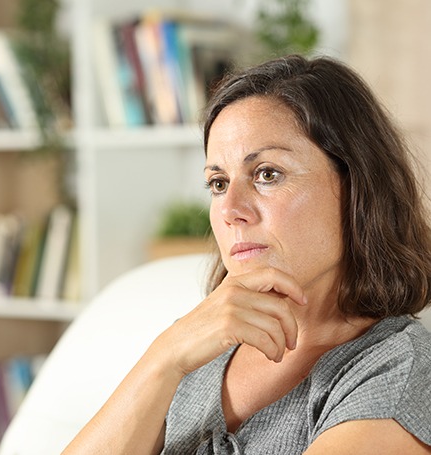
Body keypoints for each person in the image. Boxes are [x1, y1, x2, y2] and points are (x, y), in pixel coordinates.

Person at [62, 55, 431, 454]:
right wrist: (165, 355)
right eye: (218, 183)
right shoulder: (198, 344)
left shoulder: (399, 371)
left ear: (357, 187)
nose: (230, 209)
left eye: (267, 174)